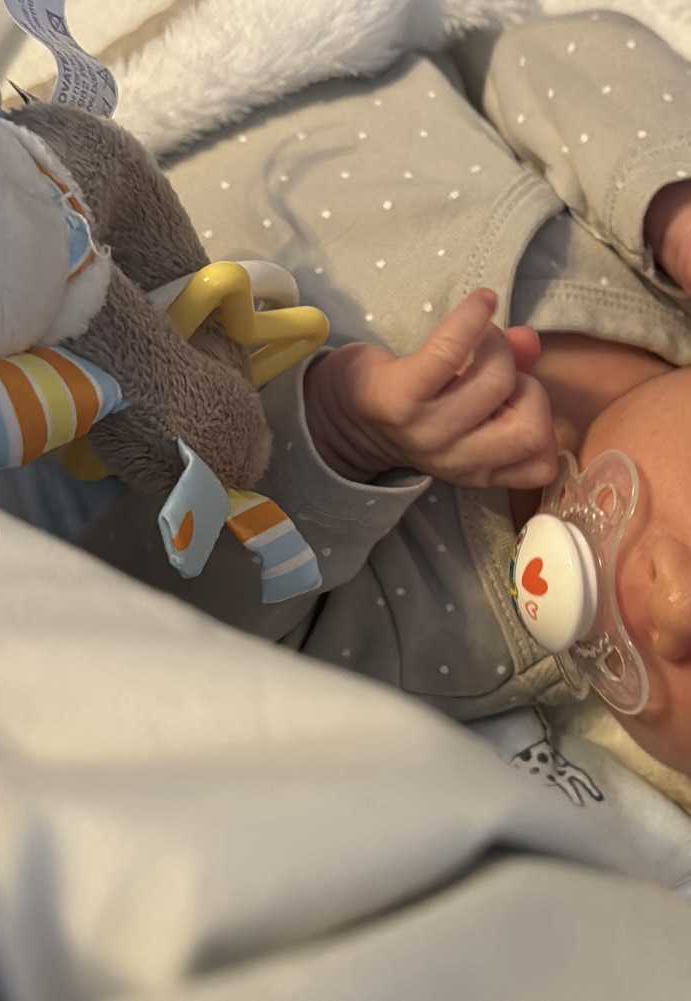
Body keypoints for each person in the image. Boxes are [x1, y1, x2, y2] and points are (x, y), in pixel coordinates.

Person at [82, 11, 691, 776]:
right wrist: (669, 201)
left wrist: (338, 437)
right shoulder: (652, 280)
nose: (673, 610)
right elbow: (537, 51)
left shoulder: (452, 644)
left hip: (71, 184)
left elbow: (153, 625)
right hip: (286, 42)